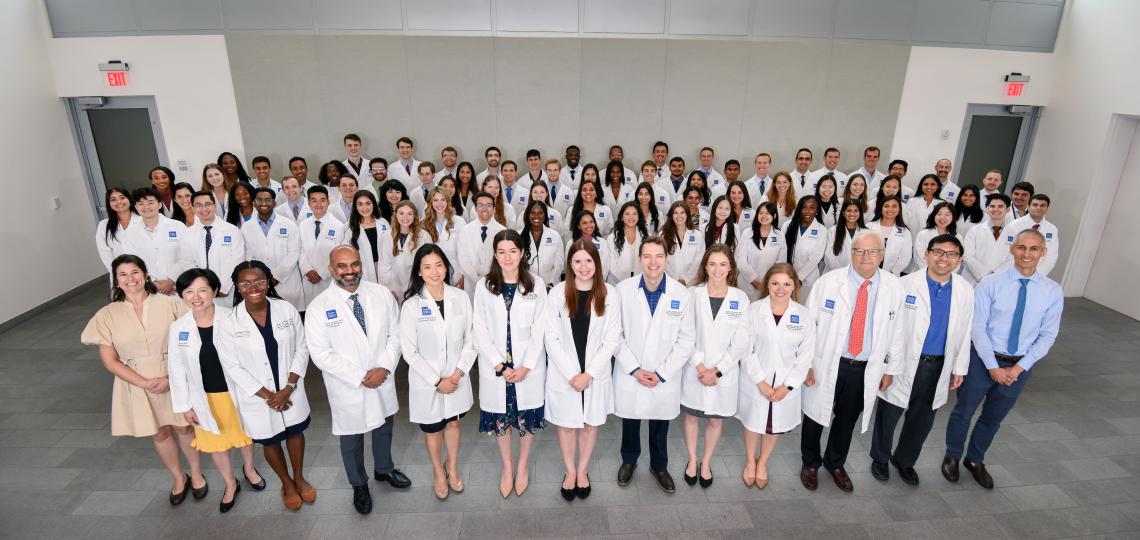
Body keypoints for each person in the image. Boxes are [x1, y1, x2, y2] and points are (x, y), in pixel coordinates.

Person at [943, 229, 1063, 489]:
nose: (1026, 254)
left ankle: (975, 459)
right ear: (1012, 249)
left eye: (1034, 249)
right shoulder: (991, 283)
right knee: (963, 412)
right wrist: (993, 367)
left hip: (1019, 366)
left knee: (993, 418)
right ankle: (952, 456)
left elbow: (1047, 335)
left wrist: (1019, 368)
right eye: (1021, 247)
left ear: (1043, 252)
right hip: (983, 360)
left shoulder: (1052, 291)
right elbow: (978, 327)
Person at [80, 255, 204, 506]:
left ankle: (198, 475)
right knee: (159, 432)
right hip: (136, 382)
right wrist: (145, 383)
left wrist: (170, 378)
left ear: (145, 274)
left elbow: (193, 343)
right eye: (123, 275)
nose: (130, 279)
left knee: (184, 428)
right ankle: (179, 478)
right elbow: (110, 360)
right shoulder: (107, 314)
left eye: (135, 272)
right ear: (116, 280)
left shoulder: (171, 304)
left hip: (174, 377)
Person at [799, 231, 906, 493]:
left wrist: (891, 369)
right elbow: (809, 325)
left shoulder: (894, 286)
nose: (865, 257)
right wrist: (807, 363)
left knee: (847, 419)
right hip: (827, 362)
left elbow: (898, 330)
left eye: (872, 252)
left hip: (864, 367)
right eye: (859, 251)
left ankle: (836, 463)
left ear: (882, 255)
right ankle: (810, 463)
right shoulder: (829, 282)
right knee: (814, 414)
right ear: (851, 253)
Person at [305, 246, 408, 514]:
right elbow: (320, 354)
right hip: (347, 384)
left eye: (354, 264)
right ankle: (358, 484)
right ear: (331, 269)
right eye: (342, 266)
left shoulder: (381, 294)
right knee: (351, 438)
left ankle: (384, 469)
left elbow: (395, 334)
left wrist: (384, 367)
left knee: (385, 426)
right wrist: (361, 376)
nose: (350, 271)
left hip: (381, 376)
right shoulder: (319, 307)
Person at [870, 235, 974, 485]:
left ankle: (905, 461)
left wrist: (960, 367)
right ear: (926, 254)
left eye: (951, 254)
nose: (944, 259)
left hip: (937, 364)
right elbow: (889, 328)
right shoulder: (904, 285)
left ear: (959, 260)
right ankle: (880, 459)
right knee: (889, 413)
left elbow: (965, 330)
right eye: (938, 252)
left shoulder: (964, 289)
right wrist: (886, 365)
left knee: (922, 419)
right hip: (902, 363)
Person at [216, 260, 313, 512]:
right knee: (270, 440)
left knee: (294, 432)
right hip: (260, 397)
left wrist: (288, 387)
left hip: (290, 389)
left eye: (259, 281)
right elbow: (232, 366)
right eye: (245, 283)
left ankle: (299, 477)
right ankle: (287, 484)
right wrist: (270, 396)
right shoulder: (229, 322)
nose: (253, 287)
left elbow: (302, 348)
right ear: (237, 287)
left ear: (269, 281)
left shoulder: (286, 309)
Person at [167, 268, 261, 514]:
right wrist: (184, 405)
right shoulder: (179, 328)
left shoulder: (234, 317)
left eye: (202, 290)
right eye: (188, 291)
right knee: (216, 443)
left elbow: (250, 356)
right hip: (203, 397)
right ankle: (230, 484)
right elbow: (176, 369)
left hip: (236, 393)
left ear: (215, 291)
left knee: (244, 436)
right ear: (182, 295)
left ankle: (249, 469)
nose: (196, 297)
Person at [614, 237, 696, 493]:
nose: (653, 262)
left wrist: (662, 373)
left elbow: (686, 339)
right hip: (631, 371)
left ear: (666, 259)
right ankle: (629, 460)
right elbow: (614, 335)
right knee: (631, 419)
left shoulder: (681, 294)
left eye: (658, 256)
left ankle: (659, 465)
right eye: (647, 256)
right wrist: (635, 369)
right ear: (639, 259)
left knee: (660, 422)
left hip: (664, 374)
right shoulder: (622, 290)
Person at [541, 240, 621, 501]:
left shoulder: (609, 293)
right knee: (566, 425)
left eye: (589, 261)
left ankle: (583, 470)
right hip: (565, 374)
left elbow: (612, 339)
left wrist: (589, 374)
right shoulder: (557, 294)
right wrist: (572, 374)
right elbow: (550, 338)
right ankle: (570, 471)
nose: (583, 267)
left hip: (594, 375)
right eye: (577, 261)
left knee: (589, 424)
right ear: (570, 264)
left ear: (597, 263)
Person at [473, 230, 549, 497]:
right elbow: (479, 329)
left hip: (527, 368)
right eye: (502, 251)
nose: (507, 257)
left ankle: (523, 467)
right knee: (501, 420)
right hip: (497, 369)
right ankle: (508, 468)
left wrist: (526, 366)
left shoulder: (536, 284)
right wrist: (499, 365)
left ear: (522, 253)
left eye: (513, 251)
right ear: (495, 254)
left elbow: (541, 328)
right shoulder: (484, 286)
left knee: (526, 419)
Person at [399, 244, 476, 500]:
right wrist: (436, 381)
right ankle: (437, 471)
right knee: (432, 428)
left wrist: (457, 374)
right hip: (427, 382)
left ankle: (451, 467)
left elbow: (471, 338)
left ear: (446, 266)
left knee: (453, 422)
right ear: (419, 272)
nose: (434, 272)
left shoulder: (460, 297)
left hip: (456, 378)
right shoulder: (411, 305)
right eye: (427, 267)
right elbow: (409, 351)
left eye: (439, 265)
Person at [739, 262, 815, 489]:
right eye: (774, 283)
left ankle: (762, 463)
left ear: (794, 287)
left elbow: (805, 356)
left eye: (786, 284)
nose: (780, 289)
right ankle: (750, 461)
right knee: (752, 422)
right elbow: (746, 348)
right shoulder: (753, 310)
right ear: (767, 284)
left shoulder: (803, 315)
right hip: (756, 380)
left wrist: (787, 386)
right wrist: (760, 381)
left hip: (784, 384)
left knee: (775, 425)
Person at [680, 245, 751, 489]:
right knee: (691, 417)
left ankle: (706, 462)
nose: (717, 269)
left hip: (724, 374)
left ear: (730, 267)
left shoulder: (740, 299)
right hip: (694, 370)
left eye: (722, 264)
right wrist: (701, 367)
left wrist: (718, 370)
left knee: (715, 421)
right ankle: (691, 459)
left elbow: (742, 341)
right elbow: (684, 333)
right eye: (712, 264)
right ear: (705, 267)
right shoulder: (692, 294)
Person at [179, 191, 245, 302]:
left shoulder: (232, 231)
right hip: (199, 292)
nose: (204, 209)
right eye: (198, 205)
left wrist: (222, 287)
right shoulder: (187, 234)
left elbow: (237, 261)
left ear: (214, 205)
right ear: (193, 208)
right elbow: (188, 262)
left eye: (207, 204)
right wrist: (201, 287)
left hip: (227, 291)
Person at [242, 187, 303, 307]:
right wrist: (261, 278)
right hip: (260, 282)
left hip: (287, 283)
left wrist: (276, 277)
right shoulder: (246, 227)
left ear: (274, 203)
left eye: (268, 200)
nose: (263, 203)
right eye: (259, 200)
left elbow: (294, 253)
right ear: (254, 203)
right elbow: (248, 255)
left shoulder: (289, 225)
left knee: (292, 318)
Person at [127, 187, 186, 296]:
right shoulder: (130, 232)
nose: (146, 207)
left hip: (178, 284)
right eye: (141, 204)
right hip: (149, 287)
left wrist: (170, 281)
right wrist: (152, 282)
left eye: (150, 202)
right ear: (136, 207)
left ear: (159, 205)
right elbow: (132, 262)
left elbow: (187, 255)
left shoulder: (177, 226)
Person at [298, 186, 343, 311]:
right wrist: (307, 270)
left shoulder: (338, 226)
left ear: (328, 201)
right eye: (314, 200)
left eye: (322, 200)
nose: (318, 204)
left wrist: (321, 273)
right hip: (308, 278)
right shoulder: (303, 225)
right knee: (312, 312)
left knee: (331, 312)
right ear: (309, 203)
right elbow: (300, 251)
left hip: (328, 280)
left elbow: (338, 255)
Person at [457, 191, 506, 297]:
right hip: (471, 283)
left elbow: (503, 259)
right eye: (481, 205)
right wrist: (477, 279)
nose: (485, 208)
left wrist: (490, 279)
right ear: (475, 208)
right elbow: (463, 259)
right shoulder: (465, 231)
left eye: (488, 205)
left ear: (494, 209)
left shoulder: (502, 231)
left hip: (495, 282)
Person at [998, 194, 1059, 277]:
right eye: (1035, 205)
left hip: (1036, 275)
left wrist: (1034, 275)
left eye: (1042, 205)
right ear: (1028, 206)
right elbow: (1003, 251)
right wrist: (1019, 272)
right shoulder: (1014, 226)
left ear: (1047, 208)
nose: (1038, 208)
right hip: (1010, 272)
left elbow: (1051, 256)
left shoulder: (1052, 229)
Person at [380, 201, 432, 298]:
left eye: (409, 214)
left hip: (417, 285)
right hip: (394, 288)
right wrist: (387, 290)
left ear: (414, 216)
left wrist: (424, 286)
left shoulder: (424, 236)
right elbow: (384, 266)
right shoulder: (387, 236)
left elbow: (429, 264)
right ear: (396, 215)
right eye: (401, 213)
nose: (405, 217)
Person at [737, 202, 787, 300]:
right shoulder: (747, 233)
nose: (763, 216)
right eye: (760, 213)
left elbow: (781, 262)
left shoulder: (779, 235)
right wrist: (753, 280)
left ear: (774, 215)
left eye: (767, 213)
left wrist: (769, 281)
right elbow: (741, 260)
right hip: (746, 284)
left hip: (769, 284)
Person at [961, 194, 1012, 285]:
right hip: (972, 280)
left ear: (1008, 209)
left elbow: (1012, 258)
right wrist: (984, 275)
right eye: (992, 206)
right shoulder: (974, 231)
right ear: (987, 209)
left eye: (1000, 206)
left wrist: (994, 276)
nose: (996, 209)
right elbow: (967, 256)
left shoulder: (1014, 233)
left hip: (999, 281)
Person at [343, 190, 392, 285]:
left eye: (368, 203)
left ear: (373, 204)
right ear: (355, 207)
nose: (364, 208)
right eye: (360, 204)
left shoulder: (383, 222)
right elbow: (346, 253)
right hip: (363, 271)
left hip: (385, 268)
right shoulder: (349, 227)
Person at [422, 187, 466, 288]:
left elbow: (465, 252)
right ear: (430, 203)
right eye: (435, 200)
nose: (439, 204)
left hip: (456, 274)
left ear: (448, 201)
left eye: (443, 200)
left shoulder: (459, 222)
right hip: (433, 275)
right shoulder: (423, 223)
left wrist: (463, 276)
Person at [784, 196, 827, 295]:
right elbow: (782, 252)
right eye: (804, 207)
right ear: (799, 209)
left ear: (817, 211)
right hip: (787, 274)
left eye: (812, 208)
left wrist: (799, 277)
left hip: (809, 277)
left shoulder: (822, 230)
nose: (807, 211)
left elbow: (816, 257)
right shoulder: (787, 225)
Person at [95, 187, 140, 277]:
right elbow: (105, 253)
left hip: (145, 270)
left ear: (129, 200)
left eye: (122, 198)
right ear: (109, 204)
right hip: (120, 273)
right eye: (113, 200)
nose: (119, 202)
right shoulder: (103, 225)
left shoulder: (143, 220)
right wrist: (117, 272)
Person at [520, 201, 565, 289]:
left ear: (545, 215)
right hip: (526, 285)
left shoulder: (555, 235)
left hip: (550, 287)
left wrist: (551, 284)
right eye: (533, 213)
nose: (536, 216)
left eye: (540, 213)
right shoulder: (519, 235)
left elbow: (558, 264)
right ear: (528, 215)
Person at [868, 194, 913, 275]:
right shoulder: (869, 227)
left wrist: (892, 272)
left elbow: (906, 256)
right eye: (886, 206)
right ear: (881, 209)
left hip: (892, 275)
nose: (890, 209)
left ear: (899, 210)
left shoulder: (905, 232)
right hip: (868, 272)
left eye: (894, 206)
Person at [660, 202, 704, 285]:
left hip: (692, 283)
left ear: (687, 214)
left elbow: (699, 259)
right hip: (670, 281)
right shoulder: (663, 235)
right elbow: (662, 259)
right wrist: (675, 279)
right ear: (671, 215)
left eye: (682, 212)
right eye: (675, 213)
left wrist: (686, 279)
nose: (679, 216)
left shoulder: (697, 235)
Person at [609, 202, 649, 284]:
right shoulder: (612, 238)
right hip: (617, 281)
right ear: (622, 217)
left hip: (641, 280)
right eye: (627, 214)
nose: (631, 217)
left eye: (635, 214)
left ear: (639, 217)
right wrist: (626, 282)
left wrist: (637, 280)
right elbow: (611, 264)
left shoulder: (647, 236)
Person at [912, 202, 959, 272]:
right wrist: (933, 275)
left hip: (947, 277)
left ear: (953, 217)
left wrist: (945, 275)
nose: (942, 218)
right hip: (923, 275)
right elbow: (920, 259)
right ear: (934, 216)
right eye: (939, 214)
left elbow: (957, 262)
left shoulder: (958, 237)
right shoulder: (923, 234)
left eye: (947, 215)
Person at [824, 199, 869, 272]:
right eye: (849, 210)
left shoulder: (866, 233)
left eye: (856, 211)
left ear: (860, 213)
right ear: (843, 213)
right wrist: (842, 273)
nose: (852, 214)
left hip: (858, 273)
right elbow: (828, 256)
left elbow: (867, 256)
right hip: (834, 274)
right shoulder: (832, 231)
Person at [563, 173, 613, 237]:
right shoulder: (572, 210)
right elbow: (568, 233)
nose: (588, 192)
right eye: (584, 190)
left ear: (596, 193)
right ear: (580, 194)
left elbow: (608, 233)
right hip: (578, 245)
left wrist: (600, 244)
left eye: (591, 190)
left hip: (600, 245)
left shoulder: (606, 210)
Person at [567, 210, 615, 277]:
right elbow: (568, 267)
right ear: (579, 226)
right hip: (577, 282)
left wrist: (598, 281)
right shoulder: (571, 243)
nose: (589, 225)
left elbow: (605, 266)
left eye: (591, 222)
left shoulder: (602, 242)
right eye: (584, 223)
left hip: (598, 281)